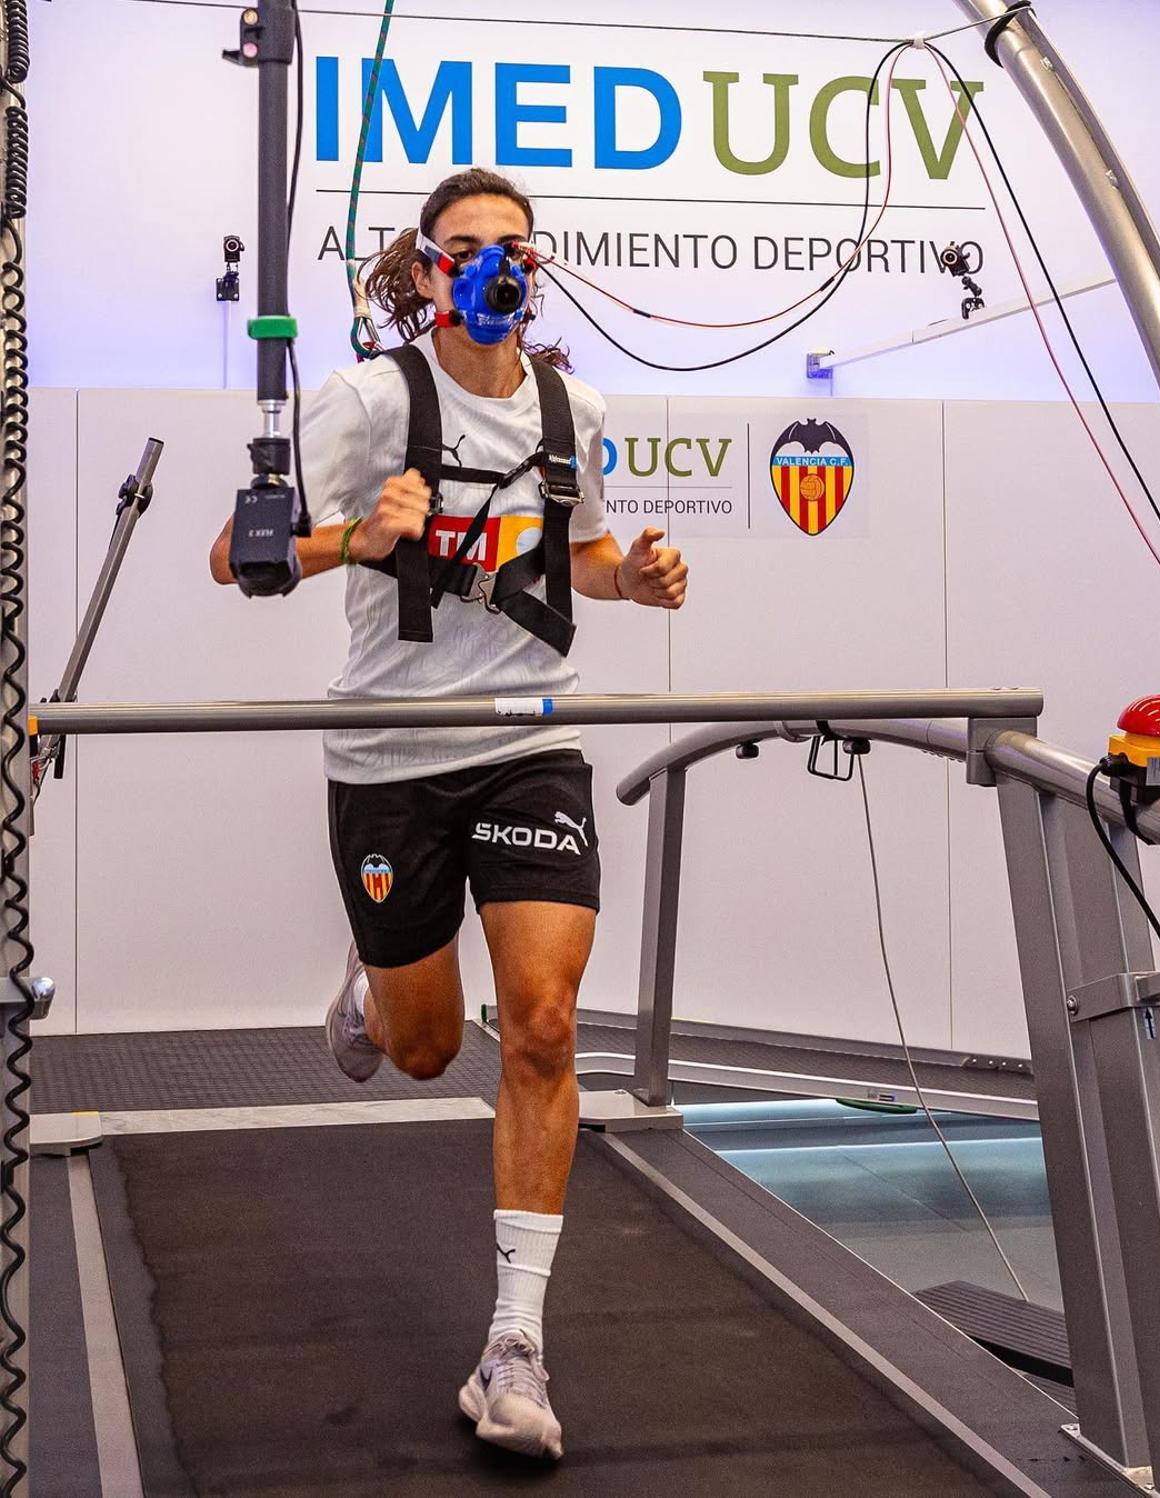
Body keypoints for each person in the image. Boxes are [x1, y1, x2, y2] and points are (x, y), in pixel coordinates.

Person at [209, 167, 688, 1462]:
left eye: (512, 246)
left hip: (530, 743)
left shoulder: (574, 407)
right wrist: (354, 539)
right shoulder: (371, 400)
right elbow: (238, 555)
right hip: (391, 757)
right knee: (424, 1050)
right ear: (426, 271)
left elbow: (578, 555)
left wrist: (635, 579)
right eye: (465, 247)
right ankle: (374, 994)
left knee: (542, 1023)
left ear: (539, 265)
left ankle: (514, 1346)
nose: (493, 266)